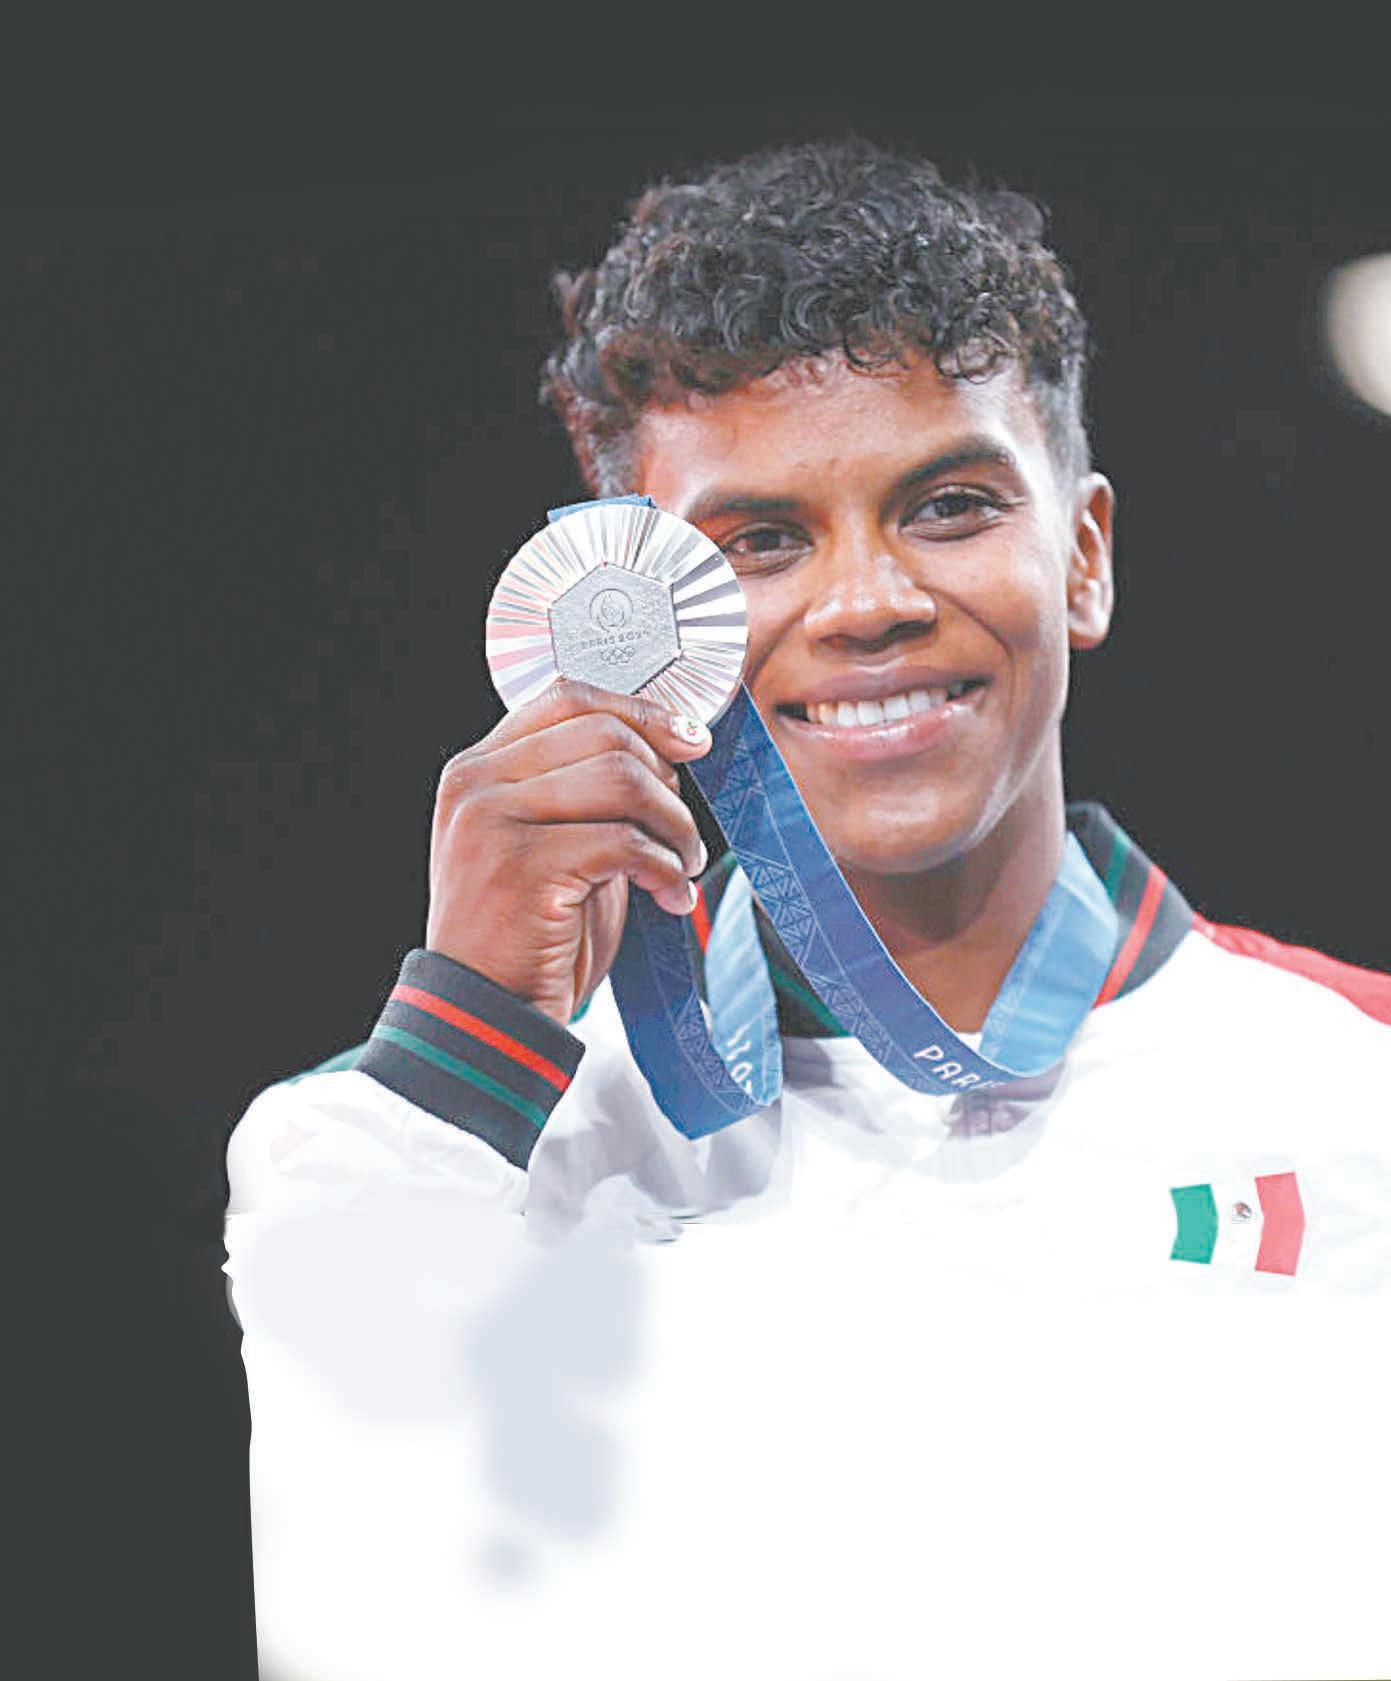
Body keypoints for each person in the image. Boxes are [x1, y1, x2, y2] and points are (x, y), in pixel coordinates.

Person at [224, 138, 1391, 1681]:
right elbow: (364, 1633)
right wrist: (466, 1050)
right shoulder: (442, 1155)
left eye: (950, 505)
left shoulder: (1360, 1082)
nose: (866, 602)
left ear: (1084, 555)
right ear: (643, 616)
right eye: (761, 542)